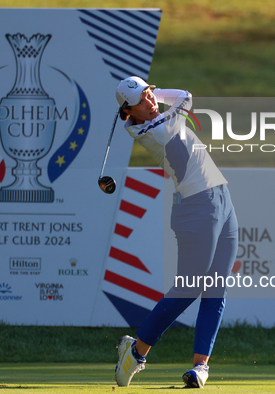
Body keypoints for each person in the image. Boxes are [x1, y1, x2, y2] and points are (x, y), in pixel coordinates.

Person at [113, 76, 238, 389]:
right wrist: (153, 93)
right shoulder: (153, 128)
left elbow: (181, 97)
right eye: (142, 100)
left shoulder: (148, 118)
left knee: (215, 290)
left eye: (150, 95)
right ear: (130, 112)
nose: (151, 102)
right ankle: (136, 353)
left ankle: (200, 368)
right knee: (189, 288)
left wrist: (148, 90)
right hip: (198, 206)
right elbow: (185, 95)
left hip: (222, 198)